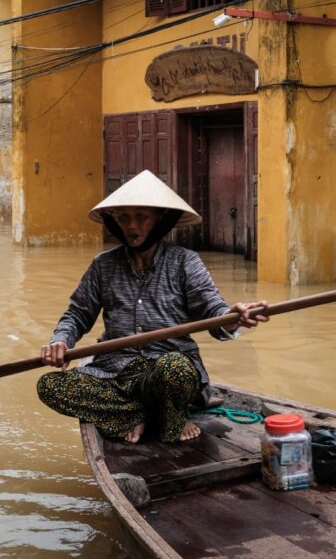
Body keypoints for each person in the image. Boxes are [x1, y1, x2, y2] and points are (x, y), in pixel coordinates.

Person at [37, 170, 268, 444]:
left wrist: (232, 318)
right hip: (116, 371)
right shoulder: (103, 265)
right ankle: (134, 414)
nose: (131, 226)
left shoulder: (185, 262)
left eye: (141, 217)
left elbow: (212, 310)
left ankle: (167, 415)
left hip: (170, 369)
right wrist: (60, 341)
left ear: (160, 220)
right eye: (124, 217)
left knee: (175, 369)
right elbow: (77, 314)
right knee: (50, 386)